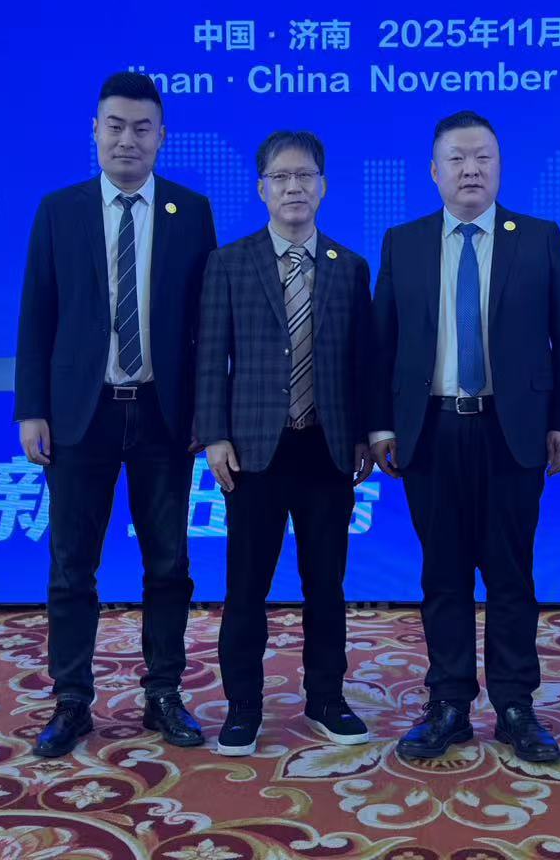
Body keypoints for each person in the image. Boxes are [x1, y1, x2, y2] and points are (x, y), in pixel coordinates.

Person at [371, 110, 560, 764]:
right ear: (434, 171)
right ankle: (448, 705)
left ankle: (516, 705)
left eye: (483, 158)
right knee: (442, 575)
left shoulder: (539, 238)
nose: (471, 170)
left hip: (511, 431)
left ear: (499, 166)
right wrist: (379, 424)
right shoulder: (404, 242)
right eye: (457, 159)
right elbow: (382, 343)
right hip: (432, 429)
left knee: (510, 574)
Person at [14, 71, 218, 758]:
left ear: (162, 137)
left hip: (163, 415)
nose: (127, 139)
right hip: (81, 415)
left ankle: (164, 693)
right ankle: (72, 700)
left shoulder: (190, 212)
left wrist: (206, 410)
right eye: (115, 126)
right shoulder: (59, 211)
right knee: (73, 566)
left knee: (168, 564)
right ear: (94, 131)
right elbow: (37, 315)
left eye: (141, 128)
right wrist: (31, 409)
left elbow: (206, 325)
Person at [195, 130, 379, 756]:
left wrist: (363, 434)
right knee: (246, 585)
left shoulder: (350, 268)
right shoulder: (229, 263)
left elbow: (362, 362)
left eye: (305, 176)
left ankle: (326, 698)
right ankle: (243, 707)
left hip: (328, 450)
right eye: (281, 177)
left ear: (323, 185)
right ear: (261, 189)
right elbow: (209, 358)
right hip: (253, 451)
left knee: (326, 584)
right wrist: (214, 435)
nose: (293, 187)